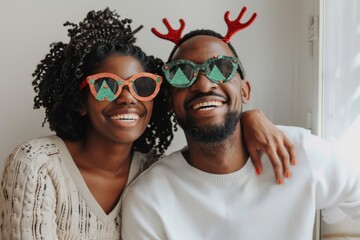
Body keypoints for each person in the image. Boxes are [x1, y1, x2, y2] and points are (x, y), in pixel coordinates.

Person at [0, 8, 295, 239]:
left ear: (157, 99)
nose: (128, 98)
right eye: (106, 85)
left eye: (142, 86)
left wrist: (248, 116)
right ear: (80, 102)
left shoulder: (154, 172)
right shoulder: (37, 166)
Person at [121, 9, 360, 240]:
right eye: (182, 73)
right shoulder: (149, 199)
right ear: (170, 101)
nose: (204, 85)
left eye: (221, 68)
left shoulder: (298, 152)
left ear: (245, 91)